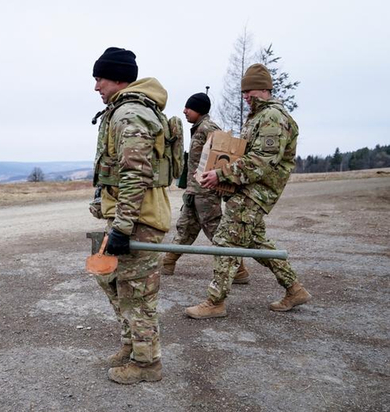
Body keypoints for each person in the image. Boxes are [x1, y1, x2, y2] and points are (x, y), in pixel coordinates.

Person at [185, 63, 312, 319]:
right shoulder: (258, 116)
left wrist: (221, 174)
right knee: (257, 242)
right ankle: (295, 289)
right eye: (244, 92)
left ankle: (215, 302)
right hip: (247, 190)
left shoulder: (273, 117)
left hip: (255, 192)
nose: (245, 96)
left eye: (249, 91)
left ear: (264, 88)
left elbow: (261, 161)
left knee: (225, 241)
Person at [89, 47, 172, 384]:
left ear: (119, 78)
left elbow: (135, 174)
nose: (96, 87)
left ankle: (147, 364)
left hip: (139, 222)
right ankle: (131, 345)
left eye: (100, 79)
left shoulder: (131, 115)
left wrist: (123, 228)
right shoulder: (124, 111)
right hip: (127, 218)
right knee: (110, 279)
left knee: (137, 294)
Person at [160, 92, 250, 283]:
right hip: (195, 191)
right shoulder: (199, 127)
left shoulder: (208, 128)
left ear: (199, 109)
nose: (184, 111)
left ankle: (239, 270)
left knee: (215, 230)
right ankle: (168, 262)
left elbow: (223, 156)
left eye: (189, 107)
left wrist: (219, 181)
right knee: (185, 228)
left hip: (206, 192)